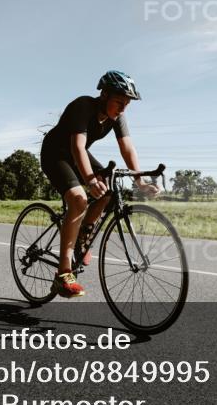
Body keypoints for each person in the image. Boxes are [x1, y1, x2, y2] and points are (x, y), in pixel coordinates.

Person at [40, 71, 160, 298]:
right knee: (79, 199)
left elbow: (127, 148)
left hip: (79, 155)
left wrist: (140, 181)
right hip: (56, 154)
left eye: (127, 104)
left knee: (107, 193)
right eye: (119, 102)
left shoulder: (117, 117)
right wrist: (90, 180)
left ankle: (82, 237)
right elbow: (77, 146)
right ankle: (63, 274)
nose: (123, 108)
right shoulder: (82, 106)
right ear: (104, 95)